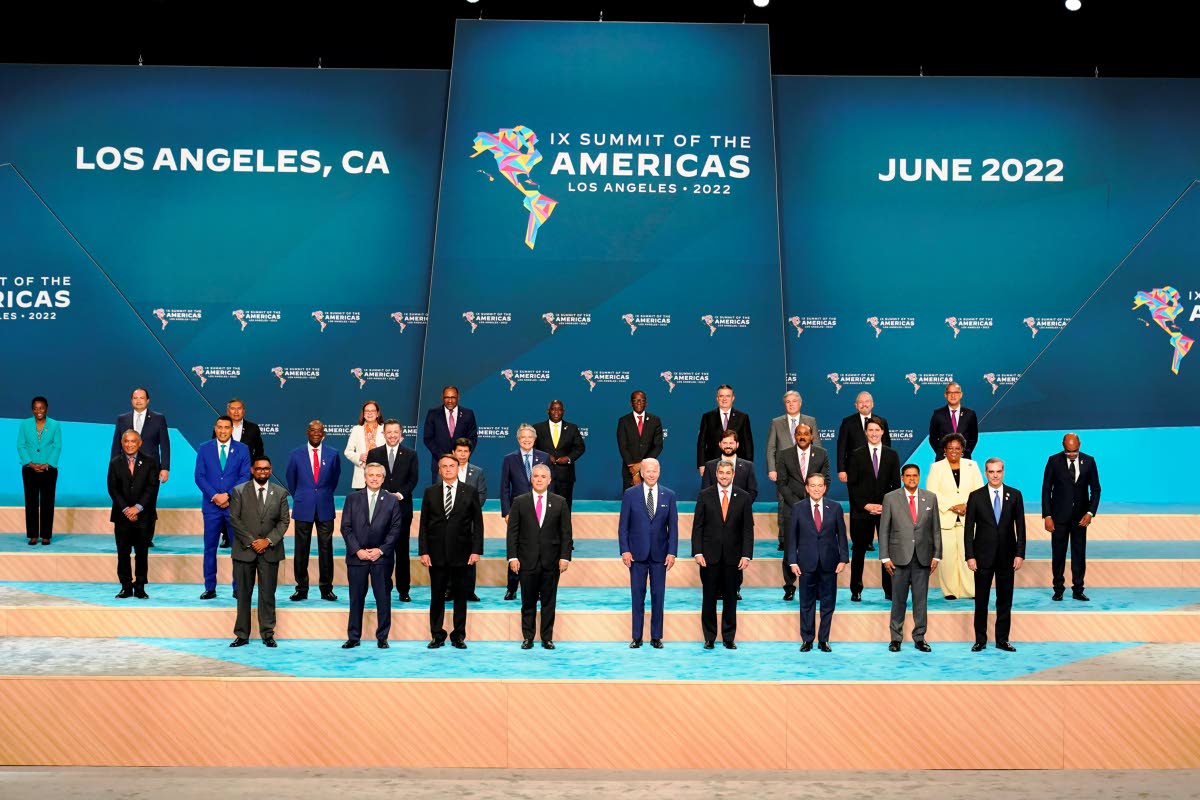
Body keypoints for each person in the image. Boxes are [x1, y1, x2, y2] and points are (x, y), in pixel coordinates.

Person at [419, 454, 484, 649]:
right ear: (439, 470)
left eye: (451, 466)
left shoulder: (469, 491)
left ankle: (458, 635)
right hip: (436, 553)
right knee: (437, 595)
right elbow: (423, 525)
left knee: (460, 596)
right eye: (444, 466)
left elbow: (477, 524)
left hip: (462, 553)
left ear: (458, 469)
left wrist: (476, 550)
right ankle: (437, 634)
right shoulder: (430, 492)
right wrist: (424, 551)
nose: (448, 469)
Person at [507, 464, 573, 649]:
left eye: (543, 476)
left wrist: (565, 557)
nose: (539, 479)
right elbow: (512, 532)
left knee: (548, 602)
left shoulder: (560, 502)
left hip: (551, 561)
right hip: (526, 560)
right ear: (531, 478)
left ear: (549, 480)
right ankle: (528, 637)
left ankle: (547, 637)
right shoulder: (520, 501)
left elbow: (566, 533)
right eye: (535, 476)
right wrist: (512, 557)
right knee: (527, 602)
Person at [228, 455, 290, 648]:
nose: (262, 471)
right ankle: (242, 635)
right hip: (244, 551)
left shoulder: (280, 493)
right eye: (259, 468)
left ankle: (267, 634)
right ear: (252, 470)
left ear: (270, 471)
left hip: (270, 551)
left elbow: (284, 521)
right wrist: (252, 541)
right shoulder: (239, 491)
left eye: (266, 468)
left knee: (267, 595)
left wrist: (268, 541)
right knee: (243, 595)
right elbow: (234, 519)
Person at [965, 458, 1026, 652]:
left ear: (1003, 472)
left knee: (1004, 601)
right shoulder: (975, 496)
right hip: (982, 557)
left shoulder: (1015, 495)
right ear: (985, 473)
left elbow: (1021, 528)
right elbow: (968, 530)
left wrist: (1020, 553)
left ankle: (1002, 640)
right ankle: (980, 640)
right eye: (991, 471)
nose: (995, 475)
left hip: (1007, 557)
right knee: (981, 601)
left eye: (998, 471)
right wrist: (970, 555)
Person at [341, 463, 404, 649]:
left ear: (383, 479)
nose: (374, 478)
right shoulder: (352, 499)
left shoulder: (392, 500)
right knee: (356, 598)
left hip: (381, 559)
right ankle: (354, 637)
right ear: (365, 477)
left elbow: (395, 529)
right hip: (357, 558)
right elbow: (346, 527)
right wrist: (357, 550)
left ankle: (382, 636)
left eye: (378, 475)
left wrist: (381, 550)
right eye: (371, 475)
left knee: (383, 599)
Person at [692, 460, 754, 649]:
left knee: (730, 599)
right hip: (709, 557)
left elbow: (747, 529)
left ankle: (729, 638)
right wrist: (697, 551)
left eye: (728, 473)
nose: (724, 476)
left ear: (733, 474)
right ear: (716, 474)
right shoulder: (705, 495)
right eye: (721, 473)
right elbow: (698, 526)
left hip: (733, 558)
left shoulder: (743, 497)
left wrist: (746, 554)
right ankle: (709, 637)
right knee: (708, 598)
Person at [617, 458, 678, 648]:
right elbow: (623, 526)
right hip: (636, 555)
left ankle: (656, 637)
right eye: (648, 471)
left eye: (655, 471)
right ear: (641, 473)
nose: (651, 474)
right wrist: (625, 550)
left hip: (660, 556)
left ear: (659, 472)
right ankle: (636, 637)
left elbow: (673, 528)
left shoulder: (669, 495)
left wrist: (672, 552)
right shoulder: (630, 494)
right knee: (637, 596)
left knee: (658, 596)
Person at [880, 464, 942, 652]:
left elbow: (936, 529)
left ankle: (919, 638)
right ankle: (896, 638)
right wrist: (885, 557)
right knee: (898, 599)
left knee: (920, 600)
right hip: (898, 558)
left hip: (923, 557)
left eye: (915, 476)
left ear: (919, 477)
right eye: (908, 476)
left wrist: (937, 555)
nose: (912, 479)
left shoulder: (930, 497)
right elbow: (884, 530)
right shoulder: (890, 498)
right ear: (902, 477)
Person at [786, 473, 848, 652]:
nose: (816, 489)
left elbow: (841, 535)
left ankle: (824, 639)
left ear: (825, 488)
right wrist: (792, 561)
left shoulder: (835, 508)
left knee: (828, 603)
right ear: (807, 488)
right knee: (806, 603)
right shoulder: (798, 508)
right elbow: (793, 537)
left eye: (820, 485)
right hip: (806, 563)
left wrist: (843, 558)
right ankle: (807, 639)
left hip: (830, 563)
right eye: (813, 485)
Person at [194, 416, 251, 599]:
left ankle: (237, 587)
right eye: (220, 427)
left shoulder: (243, 449)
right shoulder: (204, 448)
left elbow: (244, 476)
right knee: (210, 548)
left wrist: (227, 495)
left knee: (238, 549)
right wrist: (214, 496)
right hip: (211, 507)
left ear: (232, 429)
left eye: (227, 427)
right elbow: (199, 476)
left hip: (234, 506)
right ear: (215, 428)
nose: (223, 430)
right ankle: (210, 587)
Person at [285, 420, 342, 602]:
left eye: (319, 430)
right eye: (312, 430)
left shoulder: (333, 454)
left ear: (323, 433)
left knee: (326, 549)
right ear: (307, 432)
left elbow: (334, 480)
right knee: (301, 549)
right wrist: (303, 496)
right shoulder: (295, 454)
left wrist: (321, 495)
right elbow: (291, 480)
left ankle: (326, 589)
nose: (316, 433)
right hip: (303, 506)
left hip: (325, 506)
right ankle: (301, 588)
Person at [1041, 433, 1101, 601]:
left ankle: (1078, 589)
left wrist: (1090, 513)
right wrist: (1047, 515)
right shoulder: (1053, 461)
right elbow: (1046, 489)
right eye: (1068, 451)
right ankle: (1058, 589)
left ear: (1080, 444)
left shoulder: (1089, 461)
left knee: (1079, 553)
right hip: (1058, 516)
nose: (1072, 454)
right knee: (1058, 554)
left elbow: (1095, 489)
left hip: (1080, 518)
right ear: (1063, 445)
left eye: (1075, 451)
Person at [845, 418, 900, 601]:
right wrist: (865, 505)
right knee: (859, 551)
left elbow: (895, 486)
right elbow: (852, 486)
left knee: (887, 551)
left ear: (883, 432)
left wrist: (886, 506)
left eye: (877, 430)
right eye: (871, 430)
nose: (874, 433)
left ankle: (889, 589)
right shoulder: (856, 455)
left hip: (886, 511)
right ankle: (856, 589)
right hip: (862, 512)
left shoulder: (892, 455)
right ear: (865, 432)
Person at [924, 433, 984, 600]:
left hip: (968, 517)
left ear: (963, 450)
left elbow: (978, 491)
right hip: (946, 518)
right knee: (948, 557)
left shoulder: (972, 465)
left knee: (969, 555)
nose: (953, 451)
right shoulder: (936, 468)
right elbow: (932, 492)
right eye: (950, 448)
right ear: (944, 450)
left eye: (957, 448)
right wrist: (953, 506)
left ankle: (970, 590)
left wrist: (967, 506)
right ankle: (950, 591)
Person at [775, 423, 831, 600]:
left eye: (805, 434)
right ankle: (789, 586)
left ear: (812, 436)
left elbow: (826, 480)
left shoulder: (822, 454)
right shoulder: (784, 455)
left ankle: (816, 587)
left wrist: (812, 501)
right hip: (791, 508)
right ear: (794, 436)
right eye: (798, 434)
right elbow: (781, 483)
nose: (802, 437)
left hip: (815, 507)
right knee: (790, 547)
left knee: (816, 547)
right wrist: (798, 504)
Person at [367, 419, 419, 603]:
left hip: (402, 508)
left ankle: (404, 589)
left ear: (401, 434)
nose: (392, 435)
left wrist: (399, 494)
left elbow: (413, 479)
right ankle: (384, 587)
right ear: (383, 434)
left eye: (396, 432)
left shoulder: (411, 454)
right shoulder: (374, 453)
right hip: (379, 510)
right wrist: (384, 494)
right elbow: (371, 479)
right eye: (389, 432)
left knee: (402, 551)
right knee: (383, 550)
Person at [111, 387, 170, 547]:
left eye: (142, 398)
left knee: (148, 501)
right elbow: (117, 443)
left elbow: (165, 444)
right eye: (135, 398)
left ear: (148, 400)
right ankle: (127, 535)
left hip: (150, 468)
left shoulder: (158, 418)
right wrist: (114, 466)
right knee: (126, 498)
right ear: (131, 400)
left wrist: (165, 467)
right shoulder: (122, 419)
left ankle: (146, 537)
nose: (138, 400)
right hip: (126, 467)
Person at [499, 424, 552, 600]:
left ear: (535, 439)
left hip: (539, 507)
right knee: (515, 545)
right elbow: (504, 487)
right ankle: (512, 587)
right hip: (517, 510)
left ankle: (536, 589)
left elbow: (550, 484)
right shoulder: (509, 459)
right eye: (523, 437)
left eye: (530, 437)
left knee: (537, 547)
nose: (527, 440)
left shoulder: (544, 457)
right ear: (518, 439)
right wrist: (506, 512)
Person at [107, 430, 158, 599]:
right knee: (123, 552)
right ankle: (126, 586)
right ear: (122, 443)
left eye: (133, 441)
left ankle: (140, 586)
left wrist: (138, 507)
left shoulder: (150, 462)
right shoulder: (115, 463)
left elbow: (152, 487)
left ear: (140, 443)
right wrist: (126, 509)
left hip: (143, 516)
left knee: (142, 553)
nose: (129, 444)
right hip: (122, 516)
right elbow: (113, 489)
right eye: (126, 441)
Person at [767, 390, 819, 550]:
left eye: (794, 401)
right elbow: (771, 447)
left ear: (800, 403)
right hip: (784, 472)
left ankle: (809, 536)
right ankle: (784, 539)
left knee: (809, 504)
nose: (791, 404)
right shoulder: (776, 422)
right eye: (788, 401)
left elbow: (816, 445)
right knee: (783, 505)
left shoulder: (810, 420)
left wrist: (817, 471)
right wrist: (772, 469)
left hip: (806, 471)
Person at [212, 398, 264, 546]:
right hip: (225, 475)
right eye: (233, 408)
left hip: (246, 475)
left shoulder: (253, 428)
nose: (236, 411)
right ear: (228, 410)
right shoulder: (221, 427)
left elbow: (259, 450)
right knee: (225, 505)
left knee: (244, 507)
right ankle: (227, 537)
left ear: (244, 411)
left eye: (239, 408)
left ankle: (244, 537)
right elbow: (213, 451)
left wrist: (254, 468)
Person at [17, 396, 61, 546]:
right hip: (29, 469)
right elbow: (21, 445)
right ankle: (33, 535)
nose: (38, 411)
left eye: (41, 408)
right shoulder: (25, 424)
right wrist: (30, 463)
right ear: (32, 410)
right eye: (35, 408)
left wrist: (47, 464)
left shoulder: (55, 425)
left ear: (46, 409)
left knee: (48, 502)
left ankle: (46, 535)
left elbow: (57, 446)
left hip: (49, 470)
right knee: (31, 502)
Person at [449, 437, 488, 601]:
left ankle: (469, 591)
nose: (462, 454)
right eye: (459, 451)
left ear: (469, 453)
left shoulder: (477, 472)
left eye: (465, 451)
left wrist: (465, 510)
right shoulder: (447, 469)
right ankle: (449, 589)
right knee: (449, 556)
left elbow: (482, 495)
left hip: (470, 521)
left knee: (470, 557)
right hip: (449, 522)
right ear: (453, 452)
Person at [533, 399, 586, 507]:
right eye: (553, 409)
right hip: (543, 476)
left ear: (563, 411)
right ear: (548, 411)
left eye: (559, 409)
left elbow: (580, 447)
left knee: (564, 508)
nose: (556, 412)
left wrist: (568, 458)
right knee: (544, 508)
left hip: (565, 476)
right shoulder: (537, 428)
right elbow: (532, 448)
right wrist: (546, 457)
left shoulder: (572, 428)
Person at [422, 386, 477, 483]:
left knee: (463, 496)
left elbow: (472, 438)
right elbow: (428, 438)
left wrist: (461, 455)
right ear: (442, 397)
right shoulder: (433, 413)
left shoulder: (468, 414)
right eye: (447, 397)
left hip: (461, 464)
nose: (450, 401)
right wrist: (444, 457)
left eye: (453, 397)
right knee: (439, 496)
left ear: (458, 397)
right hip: (440, 462)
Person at [696, 384, 754, 475]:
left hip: (736, 464)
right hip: (713, 463)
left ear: (733, 398)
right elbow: (701, 443)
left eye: (728, 396)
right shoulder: (707, 417)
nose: (724, 399)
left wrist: (748, 465)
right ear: (717, 398)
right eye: (721, 396)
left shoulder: (742, 417)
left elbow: (748, 444)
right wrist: (701, 464)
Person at [836, 391, 890, 483]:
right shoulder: (847, 422)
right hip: (854, 469)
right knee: (856, 497)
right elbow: (841, 447)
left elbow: (886, 445)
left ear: (872, 404)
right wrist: (841, 470)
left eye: (867, 401)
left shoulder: (882, 421)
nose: (864, 404)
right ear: (856, 405)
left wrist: (886, 467)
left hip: (877, 469)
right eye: (860, 402)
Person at [615, 390, 663, 490]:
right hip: (629, 470)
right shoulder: (623, 421)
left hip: (649, 470)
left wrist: (641, 465)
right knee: (630, 502)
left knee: (648, 502)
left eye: (642, 400)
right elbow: (623, 446)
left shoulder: (655, 420)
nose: (639, 403)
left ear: (646, 403)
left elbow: (658, 446)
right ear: (630, 403)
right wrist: (635, 471)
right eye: (636, 400)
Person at [699, 429, 758, 500]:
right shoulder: (710, 466)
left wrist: (742, 506)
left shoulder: (748, 466)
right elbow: (705, 492)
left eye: (731, 443)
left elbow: (752, 491)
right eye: (725, 443)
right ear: (720, 444)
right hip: (715, 509)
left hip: (741, 509)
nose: (728, 446)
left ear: (737, 444)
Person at [928, 382, 979, 460]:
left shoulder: (970, 414)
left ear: (961, 394)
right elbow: (933, 438)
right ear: (945, 395)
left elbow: (973, 437)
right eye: (950, 393)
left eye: (956, 392)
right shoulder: (938, 414)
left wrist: (964, 452)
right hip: (943, 459)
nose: (953, 395)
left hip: (964, 458)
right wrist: (943, 453)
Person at [344, 399, 386, 489]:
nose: (369, 413)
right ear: (363, 414)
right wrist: (359, 457)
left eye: (373, 411)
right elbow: (348, 452)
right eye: (367, 411)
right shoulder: (356, 429)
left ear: (378, 413)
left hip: (381, 477)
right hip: (361, 477)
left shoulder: (385, 429)